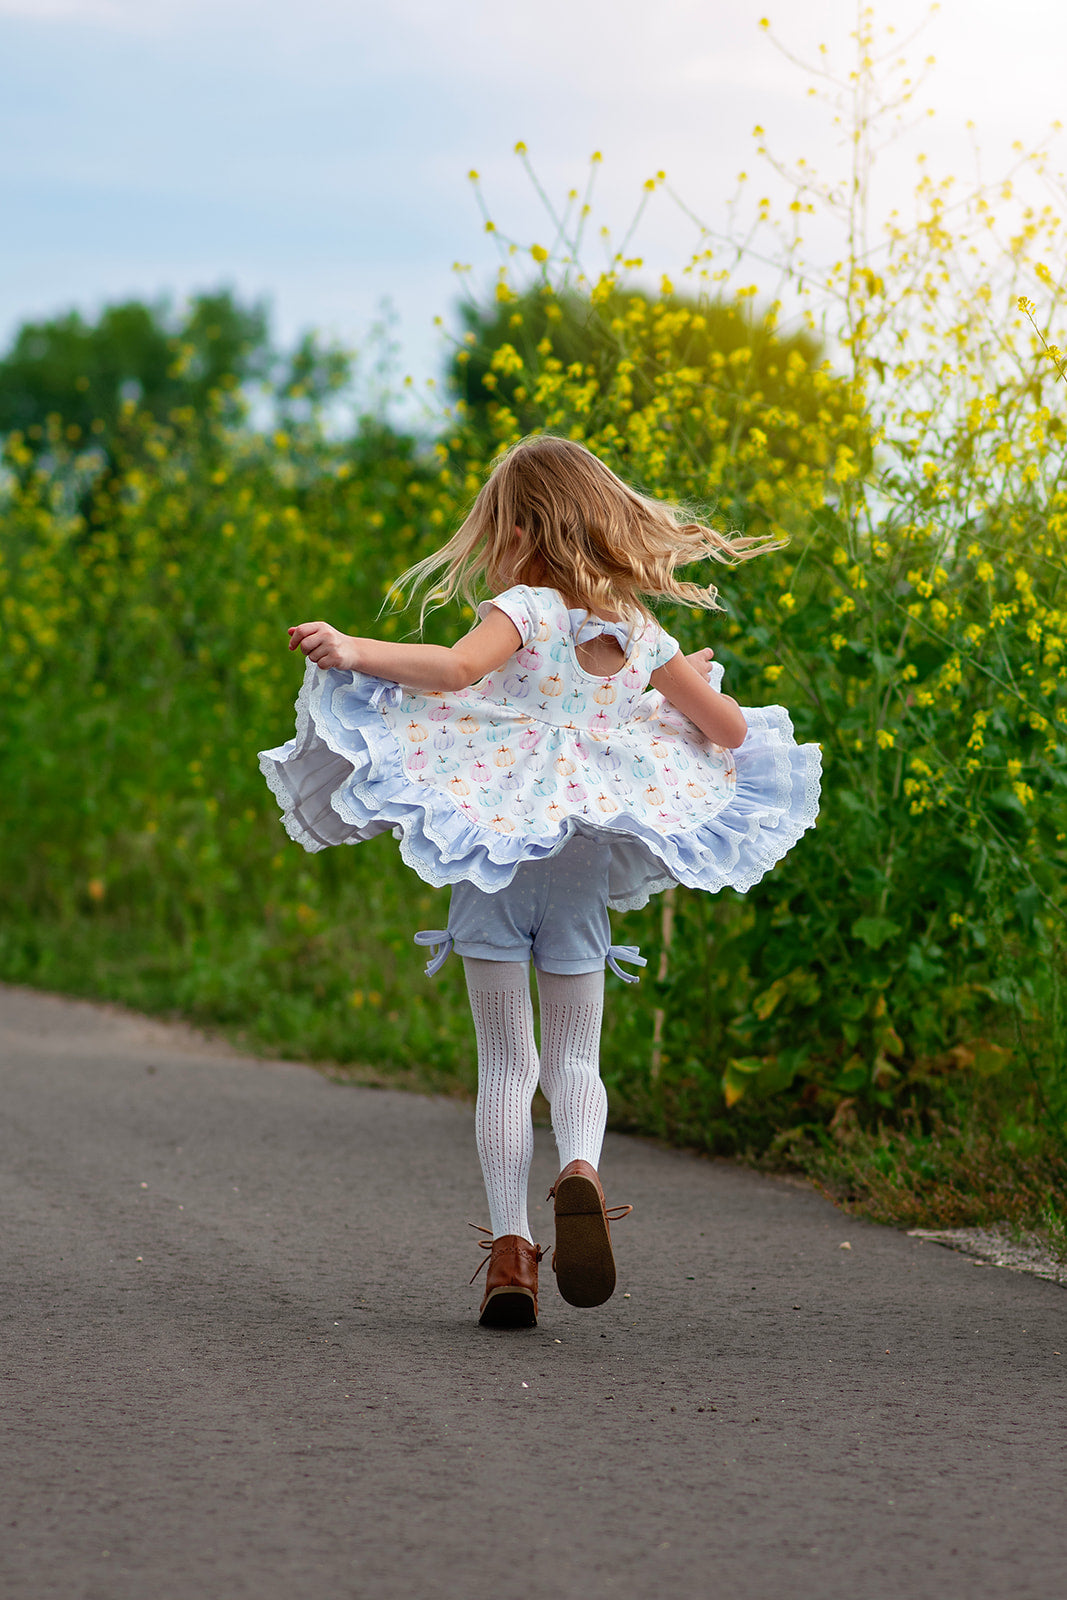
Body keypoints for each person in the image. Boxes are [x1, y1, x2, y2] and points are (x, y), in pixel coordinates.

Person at [259, 434, 821, 1329]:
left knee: (505, 1062)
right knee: (574, 1058)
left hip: (496, 851)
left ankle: (513, 1255)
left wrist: (353, 648)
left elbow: (452, 670)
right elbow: (724, 731)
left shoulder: (524, 608)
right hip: (581, 866)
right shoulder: (640, 631)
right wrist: (664, 696)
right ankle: (583, 1170)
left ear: (522, 526)